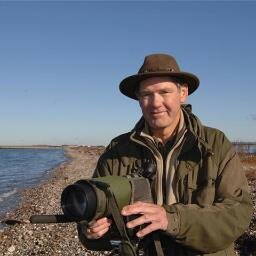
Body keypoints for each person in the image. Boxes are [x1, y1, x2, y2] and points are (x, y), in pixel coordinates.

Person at [78, 54, 253, 255]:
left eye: (165, 92)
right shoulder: (117, 150)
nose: (155, 103)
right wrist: (90, 232)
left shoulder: (214, 144)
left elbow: (237, 213)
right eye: (146, 94)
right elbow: (93, 214)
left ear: (183, 93)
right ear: (138, 98)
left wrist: (170, 219)